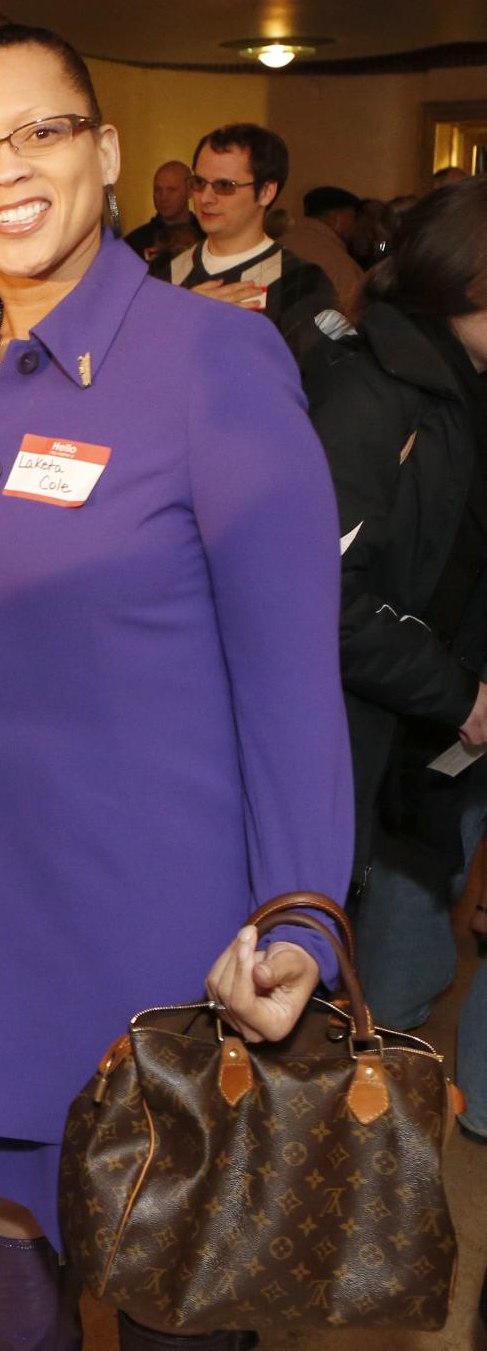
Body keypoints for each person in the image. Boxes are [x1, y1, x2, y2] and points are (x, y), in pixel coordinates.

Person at [0, 18, 352, 1351]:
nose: (6, 165)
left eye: (39, 128)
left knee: (166, 1278)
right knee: (8, 1235)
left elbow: (287, 674)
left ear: (105, 150)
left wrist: (301, 916)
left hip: (157, 920)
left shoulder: (208, 361)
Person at [304, 176, 487, 1149]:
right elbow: (321, 602)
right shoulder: (373, 388)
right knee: (347, 950)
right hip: (362, 719)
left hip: (422, 710)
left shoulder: (458, 375)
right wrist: (458, 694)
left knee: (406, 950)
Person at [156, 122, 338, 367]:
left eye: (224, 186)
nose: (205, 199)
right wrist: (180, 315)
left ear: (266, 192)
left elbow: (334, 376)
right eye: (199, 183)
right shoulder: (165, 269)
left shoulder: (302, 283)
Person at [280, 184, 365, 310]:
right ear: (336, 218)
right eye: (354, 218)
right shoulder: (339, 264)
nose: (357, 226)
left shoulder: (278, 243)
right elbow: (353, 315)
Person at [122, 159, 202, 265]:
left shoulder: (208, 235)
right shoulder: (135, 243)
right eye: (158, 190)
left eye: (171, 190)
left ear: (190, 191)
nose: (163, 197)